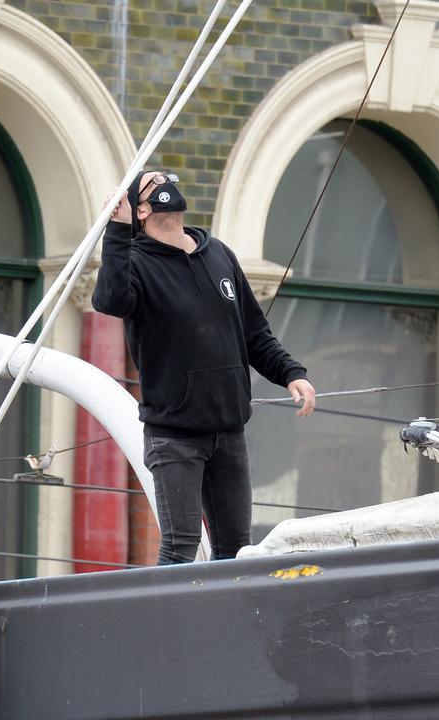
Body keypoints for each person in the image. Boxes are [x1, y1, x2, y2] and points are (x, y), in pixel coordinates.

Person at [91, 170, 317, 564]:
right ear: (141, 209)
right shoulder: (137, 263)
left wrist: (291, 373)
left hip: (229, 432)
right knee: (179, 550)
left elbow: (254, 333)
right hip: (174, 436)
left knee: (235, 551)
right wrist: (117, 231)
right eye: (153, 182)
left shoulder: (219, 254)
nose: (165, 183)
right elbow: (110, 300)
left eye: (168, 177)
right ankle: (168, 626)